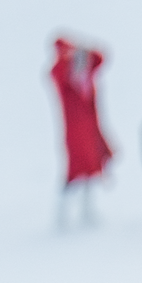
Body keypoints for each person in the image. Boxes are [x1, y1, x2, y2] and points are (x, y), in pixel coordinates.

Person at [49, 36, 114, 228]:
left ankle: (87, 212)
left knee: (90, 173)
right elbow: (56, 72)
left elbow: (100, 58)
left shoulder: (86, 77)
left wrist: (82, 50)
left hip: (90, 132)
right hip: (74, 135)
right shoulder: (65, 82)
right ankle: (61, 216)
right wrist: (67, 57)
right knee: (73, 175)